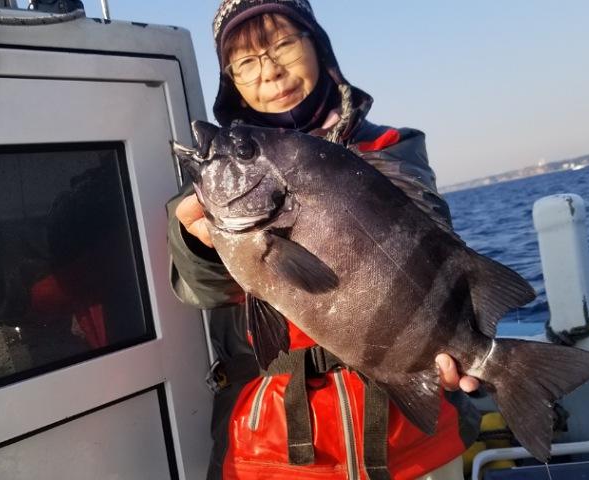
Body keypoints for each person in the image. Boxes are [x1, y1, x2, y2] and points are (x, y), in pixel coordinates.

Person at [167, 1, 481, 478]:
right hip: (276, 448)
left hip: (413, 439)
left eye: (283, 44)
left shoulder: (389, 148)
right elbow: (200, 290)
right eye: (246, 62)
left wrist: (465, 347)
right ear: (230, 80)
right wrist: (201, 246)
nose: (270, 71)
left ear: (318, 46)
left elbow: (438, 256)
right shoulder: (222, 176)